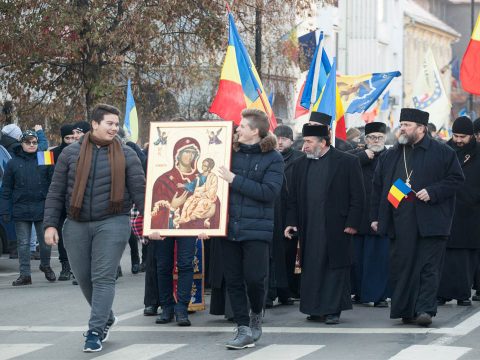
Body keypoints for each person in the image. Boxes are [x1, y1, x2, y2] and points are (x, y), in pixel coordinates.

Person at [43, 104, 145, 352]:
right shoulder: (70, 154)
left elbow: (141, 191)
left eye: (116, 124)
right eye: (109, 123)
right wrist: (49, 225)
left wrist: (153, 223)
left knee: (102, 277)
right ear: (95, 124)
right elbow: (56, 191)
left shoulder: (128, 154)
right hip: (75, 223)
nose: (114, 128)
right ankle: (106, 316)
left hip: (113, 220)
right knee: (84, 278)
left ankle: (95, 330)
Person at [370, 108, 464, 327]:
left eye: (407, 125)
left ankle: (424, 310)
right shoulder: (391, 154)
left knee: (428, 267)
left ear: (421, 128)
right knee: (402, 267)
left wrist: (434, 191)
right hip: (400, 222)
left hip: (431, 221)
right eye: (401, 124)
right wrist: (375, 217)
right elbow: (377, 188)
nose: (402, 128)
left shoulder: (442, 152)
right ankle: (405, 309)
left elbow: (456, 179)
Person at [216, 109, 284, 349]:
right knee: (233, 280)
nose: (237, 130)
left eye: (242, 126)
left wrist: (234, 180)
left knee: (255, 279)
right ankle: (243, 328)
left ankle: (256, 312)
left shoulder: (273, 158)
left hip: (257, 230)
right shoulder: (228, 154)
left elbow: (268, 193)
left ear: (255, 130)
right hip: (228, 227)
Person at [285, 123, 365, 325]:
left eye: (310, 141)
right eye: (305, 141)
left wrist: (353, 222)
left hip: (337, 226)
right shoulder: (301, 164)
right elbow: (292, 198)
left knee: (334, 267)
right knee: (311, 267)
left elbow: (358, 196)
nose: (305, 146)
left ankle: (332, 310)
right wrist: (291, 222)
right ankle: (314, 308)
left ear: (323, 142)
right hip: (309, 225)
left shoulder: (347, 162)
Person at [0, 130, 56, 286]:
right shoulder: (13, 162)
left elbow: (54, 184)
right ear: (22, 143)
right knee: (23, 244)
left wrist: (54, 206)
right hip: (21, 208)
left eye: (34, 142)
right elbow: (6, 189)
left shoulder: (45, 157)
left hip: (42, 207)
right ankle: (25, 274)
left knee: (45, 242)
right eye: (28, 142)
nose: (31, 145)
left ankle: (45, 265)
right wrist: (5, 210)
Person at [438, 117, 480, 306]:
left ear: (472, 136)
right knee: (444, 256)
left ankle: (463, 294)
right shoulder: (444, 151)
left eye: (463, 136)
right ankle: (442, 293)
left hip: (471, 214)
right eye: (456, 135)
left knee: (465, 257)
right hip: (446, 211)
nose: (458, 140)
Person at [348, 122, 389, 307]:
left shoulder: (391, 156)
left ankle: (378, 295)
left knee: (378, 259)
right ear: (366, 139)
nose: (376, 140)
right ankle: (358, 292)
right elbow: (342, 166)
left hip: (381, 215)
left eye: (379, 137)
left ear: (385, 138)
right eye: (372, 137)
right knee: (357, 259)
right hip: (359, 215)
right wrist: (362, 157)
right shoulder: (357, 156)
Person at [266, 125, 304, 307]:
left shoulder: (299, 159)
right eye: (277, 138)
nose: (280, 141)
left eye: (284, 138)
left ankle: (285, 291)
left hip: (288, 213)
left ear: (291, 141)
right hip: (272, 212)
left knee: (287, 257)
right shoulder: (269, 158)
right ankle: (270, 291)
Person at [51, 124, 75, 281]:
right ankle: (65, 266)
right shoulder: (51, 153)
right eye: (67, 138)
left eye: (73, 138)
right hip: (59, 198)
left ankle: (75, 267)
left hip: (74, 199)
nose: (70, 141)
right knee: (60, 234)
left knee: (75, 235)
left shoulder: (81, 151)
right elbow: (44, 175)